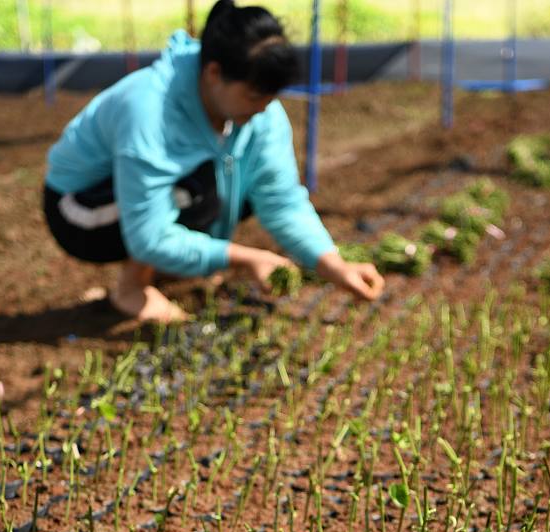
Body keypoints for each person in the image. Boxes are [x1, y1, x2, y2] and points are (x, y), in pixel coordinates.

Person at [43, 0, 384, 322]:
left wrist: (332, 264)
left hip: (144, 198)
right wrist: (245, 258)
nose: (263, 109)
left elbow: (281, 200)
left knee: (239, 182)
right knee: (201, 187)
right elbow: (147, 235)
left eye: (269, 98)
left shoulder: (261, 114)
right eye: (254, 96)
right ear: (214, 72)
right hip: (79, 209)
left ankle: (169, 262)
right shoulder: (149, 110)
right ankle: (131, 289)